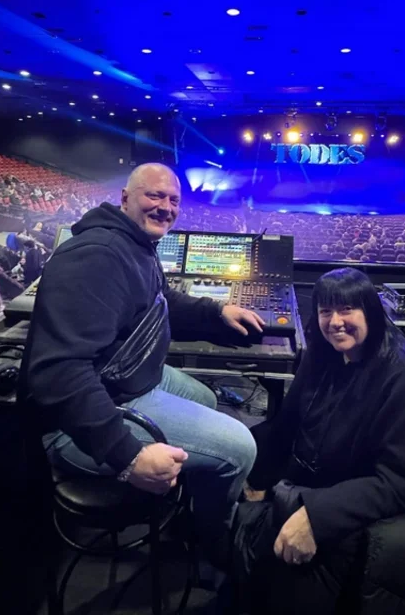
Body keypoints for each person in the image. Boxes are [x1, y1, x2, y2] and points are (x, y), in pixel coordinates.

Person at [19, 163, 261, 561]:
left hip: (124, 380)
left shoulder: (135, 245)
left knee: (206, 398)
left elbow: (161, 300)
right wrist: (128, 455)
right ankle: (213, 541)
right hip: (73, 421)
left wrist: (216, 312)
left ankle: (191, 506)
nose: (166, 207)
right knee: (241, 448)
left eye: (173, 200)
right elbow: (59, 373)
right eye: (154, 195)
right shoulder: (96, 257)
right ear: (125, 198)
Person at [238, 267, 405, 614]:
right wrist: (251, 472)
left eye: (347, 309)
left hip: (352, 517)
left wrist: (317, 517)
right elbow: (287, 425)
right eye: (325, 311)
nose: (335, 322)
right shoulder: (323, 352)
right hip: (304, 490)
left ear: (370, 311)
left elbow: (400, 484)